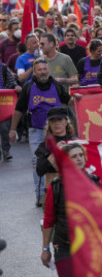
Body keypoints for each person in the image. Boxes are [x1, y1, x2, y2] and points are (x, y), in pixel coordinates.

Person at [9, 59, 76, 206]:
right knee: (37, 162)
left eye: (45, 69)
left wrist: (82, 99)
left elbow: (70, 101)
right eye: (39, 69)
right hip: (36, 132)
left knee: (64, 160)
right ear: (35, 71)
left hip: (57, 132)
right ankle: (41, 195)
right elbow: (18, 110)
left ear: (49, 70)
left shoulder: (57, 86)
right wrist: (13, 130)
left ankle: (66, 192)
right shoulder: (28, 87)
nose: (43, 72)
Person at [41, 143, 101, 277]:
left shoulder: (96, 182)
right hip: (64, 247)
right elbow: (48, 220)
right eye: (74, 156)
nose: (79, 159)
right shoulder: (55, 187)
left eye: (81, 155)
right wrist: (45, 249)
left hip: (91, 246)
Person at [35, 107, 77, 190]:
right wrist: (55, 152)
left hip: (74, 189)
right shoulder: (45, 145)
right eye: (53, 121)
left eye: (60, 120)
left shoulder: (75, 143)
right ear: (49, 124)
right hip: (53, 191)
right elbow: (40, 170)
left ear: (66, 122)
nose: (56, 123)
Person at [0, 59, 20, 161]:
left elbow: (12, 81)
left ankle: (6, 151)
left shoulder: (3, 68)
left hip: (4, 103)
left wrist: (16, 86)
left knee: (4, 128)